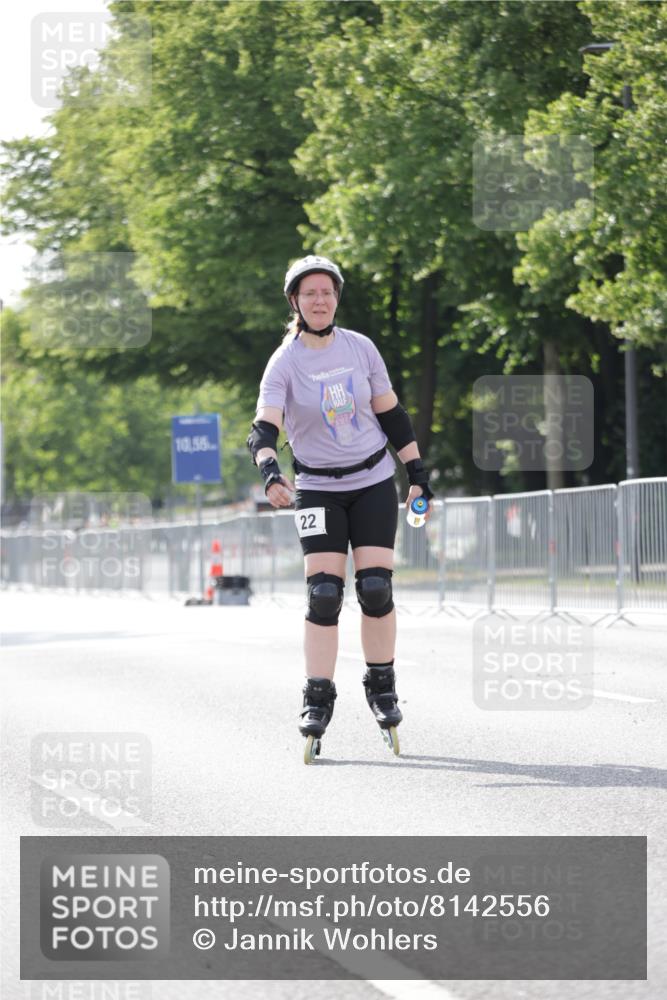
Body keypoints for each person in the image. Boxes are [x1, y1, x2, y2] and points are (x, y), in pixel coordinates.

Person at [247, 255, 433, 763]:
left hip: (373, 480)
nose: (320, 300)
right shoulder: (283, 362)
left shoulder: (361, 348)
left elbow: (391, 413)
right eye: (309, 293)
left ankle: (382, 685)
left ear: (336, 297)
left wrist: (417, 474)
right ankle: (317, 696)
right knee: (324, 594)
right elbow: (264, 429)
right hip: (317, 490)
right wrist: (270, 473)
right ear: (295, 302)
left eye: (327, 292)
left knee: (375, 588)